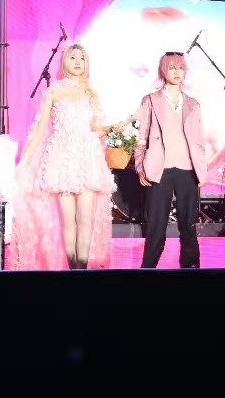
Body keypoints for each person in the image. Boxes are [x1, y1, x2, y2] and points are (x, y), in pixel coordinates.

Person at [14, 44, 125, 270]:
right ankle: (73, 268)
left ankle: (82, 268)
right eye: (73, 57)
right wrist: (23, 164)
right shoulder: (54, 91)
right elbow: (40, 129)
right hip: (62, 159)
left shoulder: (91, 92)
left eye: (82, 58)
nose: (77, 62)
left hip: (87, 159)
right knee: (68, 219)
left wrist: (121, 126)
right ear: (65, 61)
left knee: (85, 218)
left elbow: (97, 129)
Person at [133, 51, 206, 269]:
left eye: (180, 67)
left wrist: (201, 170)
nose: (177, 72)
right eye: (172, 67)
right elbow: (141, 136)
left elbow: (199, 139)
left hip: (188, 169)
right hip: (159, 169)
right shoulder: (150, 100)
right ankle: (148, 269)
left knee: (188, 226)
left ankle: (191, 268)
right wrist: (140, 166)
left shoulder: (193, 104)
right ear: (163, 71)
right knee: (156, 226)